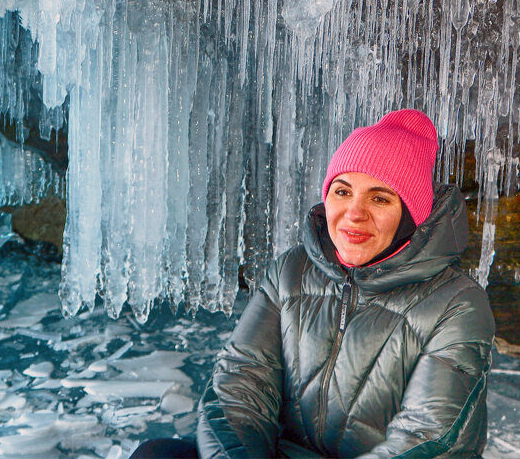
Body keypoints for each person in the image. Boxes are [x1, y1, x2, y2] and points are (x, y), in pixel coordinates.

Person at [131, 108, 494, 459]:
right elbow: (238, 390)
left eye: (379, 198)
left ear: (410, 215)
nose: (354, 212)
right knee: (156, 455)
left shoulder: (457, 303)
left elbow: (426, 437)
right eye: (342, 191)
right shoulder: (293, 270)